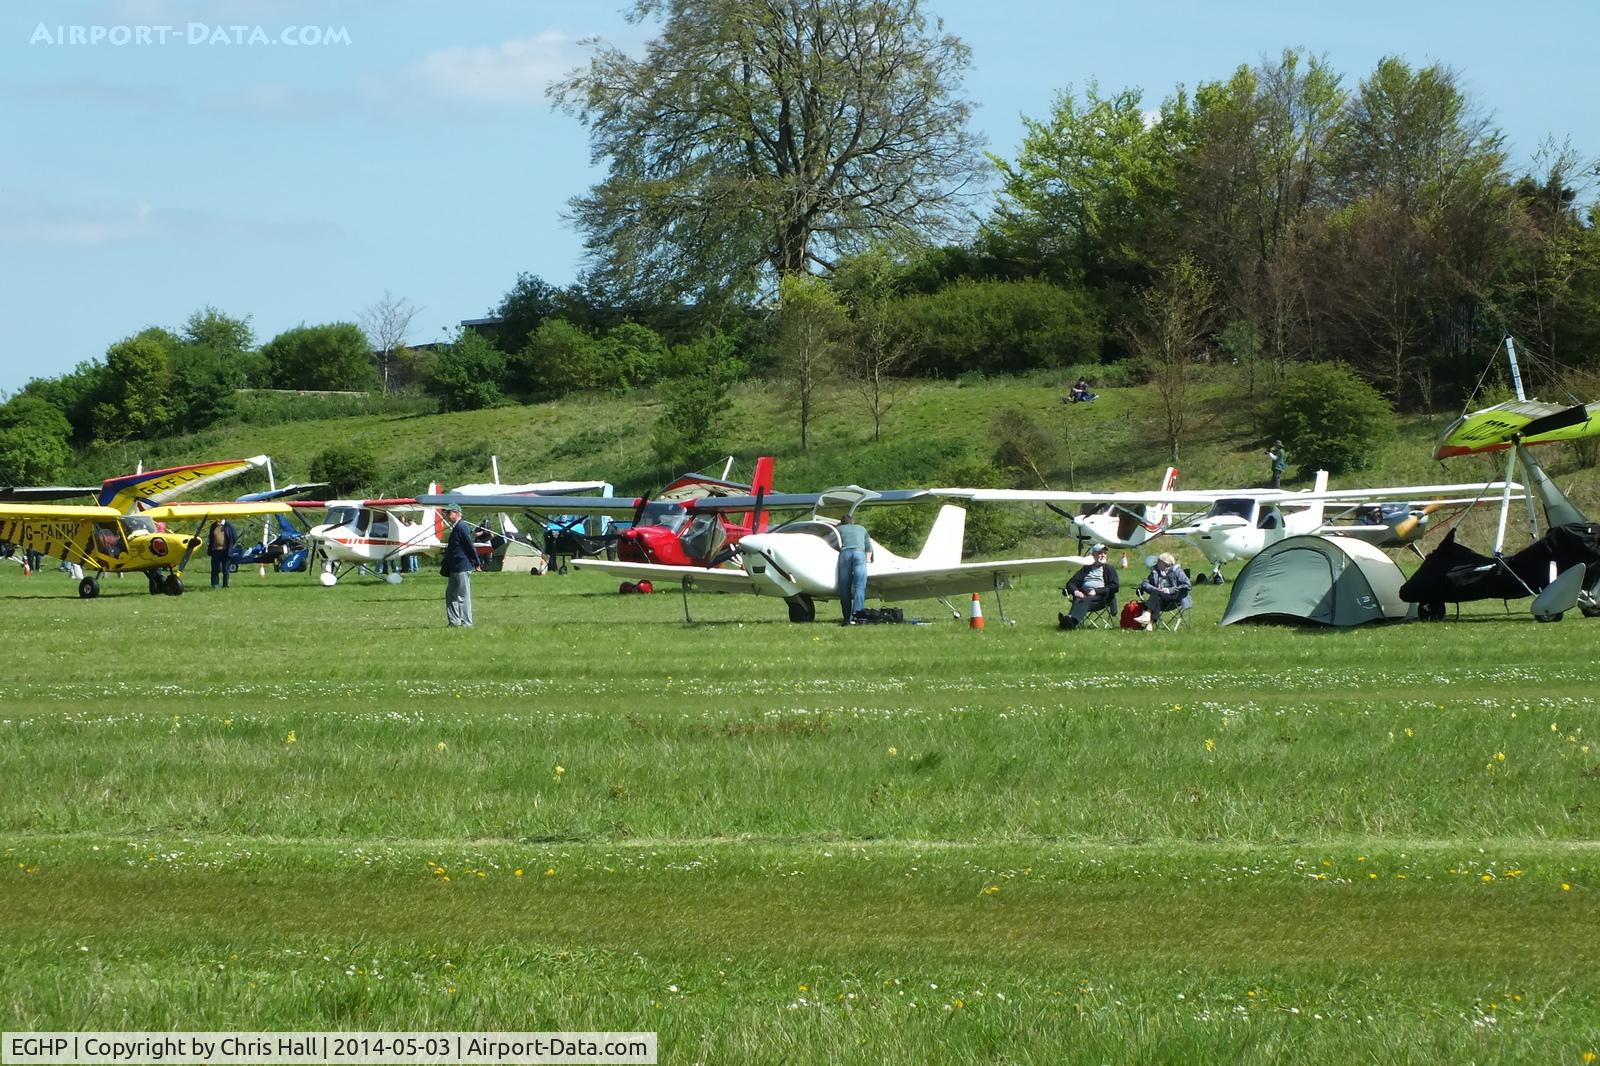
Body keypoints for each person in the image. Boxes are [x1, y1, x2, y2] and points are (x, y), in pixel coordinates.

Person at [1059, 543, 1119, 629]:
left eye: (1105, 553)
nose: (1103, 555)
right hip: (1084, 596)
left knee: (1084, 599)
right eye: (1100, 553)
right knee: (1079, 598)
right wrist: (1076, 591)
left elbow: (1115, 586)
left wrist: (1096, 591)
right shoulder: (1086, 568)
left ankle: (1070, 621)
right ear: (1093, 555)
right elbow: (1071, 583)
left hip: (1101, 599)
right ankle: (1069, 622)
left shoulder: (1109, 569)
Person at [441, 505, 479, 627]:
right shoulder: (456, 527)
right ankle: (454, 621)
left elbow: (470, 545)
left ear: (457, 513)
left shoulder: (461, 527)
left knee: (463, 595)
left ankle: (466, 622)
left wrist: (477, 562)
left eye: (449, 513)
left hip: (462, 566)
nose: (447, 515)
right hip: (454, 567)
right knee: (451, 594)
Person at [1136, 552, 1192, 631]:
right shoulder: (1155, 572)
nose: (1157, 562)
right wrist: (1155, 589)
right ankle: (1149, 624)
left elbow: (1187, 585)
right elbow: (1145, 583)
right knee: (1156, 595)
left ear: (1165, 563)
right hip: (1160, 598)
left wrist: (1169, 590)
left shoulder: (1177, 571)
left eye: (1159, 561)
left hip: (1175, 597)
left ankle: (1147, 615)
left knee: (1156, 594)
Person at [835, 512, 872, 624]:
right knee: (859, 586)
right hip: (860, 554)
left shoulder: (839, 529)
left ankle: (847, 618)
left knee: (844, 587)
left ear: (842, 522)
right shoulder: (862, 528)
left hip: (845, 554)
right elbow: (868, 548)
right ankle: (857, 617)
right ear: (852, 521)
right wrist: (868, 560)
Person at [208, 518, 236, 589]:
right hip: (215, 551)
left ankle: (225, 585)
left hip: (226, 551)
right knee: (215, 569)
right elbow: (211, 537)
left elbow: (234, 537)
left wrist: (230, 546)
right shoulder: (213, 526)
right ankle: (214, 584)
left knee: (225, 569)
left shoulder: (229, 526)